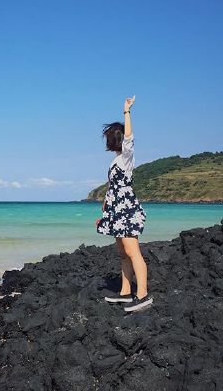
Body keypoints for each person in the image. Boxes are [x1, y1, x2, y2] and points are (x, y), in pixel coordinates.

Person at [95, 96, 153, 312]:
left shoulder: (126, 157)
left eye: (109, 136)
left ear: (116, 139)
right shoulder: (115, 160)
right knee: (122, 252)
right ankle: (126, 292)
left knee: (132, 251)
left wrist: (126, 112)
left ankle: (143, 294)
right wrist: (105, 211)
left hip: (127, 210)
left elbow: (130, 138)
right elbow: (112, 188)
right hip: (116, 211)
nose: (107, 140)